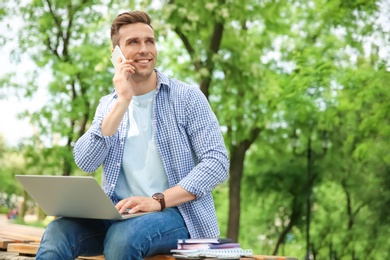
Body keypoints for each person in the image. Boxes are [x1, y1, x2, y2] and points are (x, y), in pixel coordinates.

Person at [36, 10, 229, 260]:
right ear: (117, 55)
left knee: (123, 240)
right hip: (118, 212)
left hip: (177, 213)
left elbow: (217, 163)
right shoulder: (110, 105)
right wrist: (123, 101)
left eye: (149, 41)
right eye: (133, 42)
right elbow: (85, 160)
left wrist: (158, 201)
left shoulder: (187, 98)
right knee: (57, 231)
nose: (144, 49)